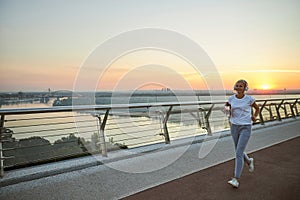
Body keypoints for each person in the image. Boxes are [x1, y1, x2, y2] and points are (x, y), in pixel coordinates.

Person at [226, 79, 260, 188]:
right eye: (237, 85)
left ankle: (236, 178)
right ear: (235, 87)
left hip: (246, 127)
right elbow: (227, 107)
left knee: (238, 153)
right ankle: (249, 161)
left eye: (241, 86)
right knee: (238, 150)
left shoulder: (249, 99)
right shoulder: (231, 99)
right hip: (234, 126)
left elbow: (257, 108)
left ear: (245, 88)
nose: (239, 87)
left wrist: (255, 116)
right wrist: (227, 111)